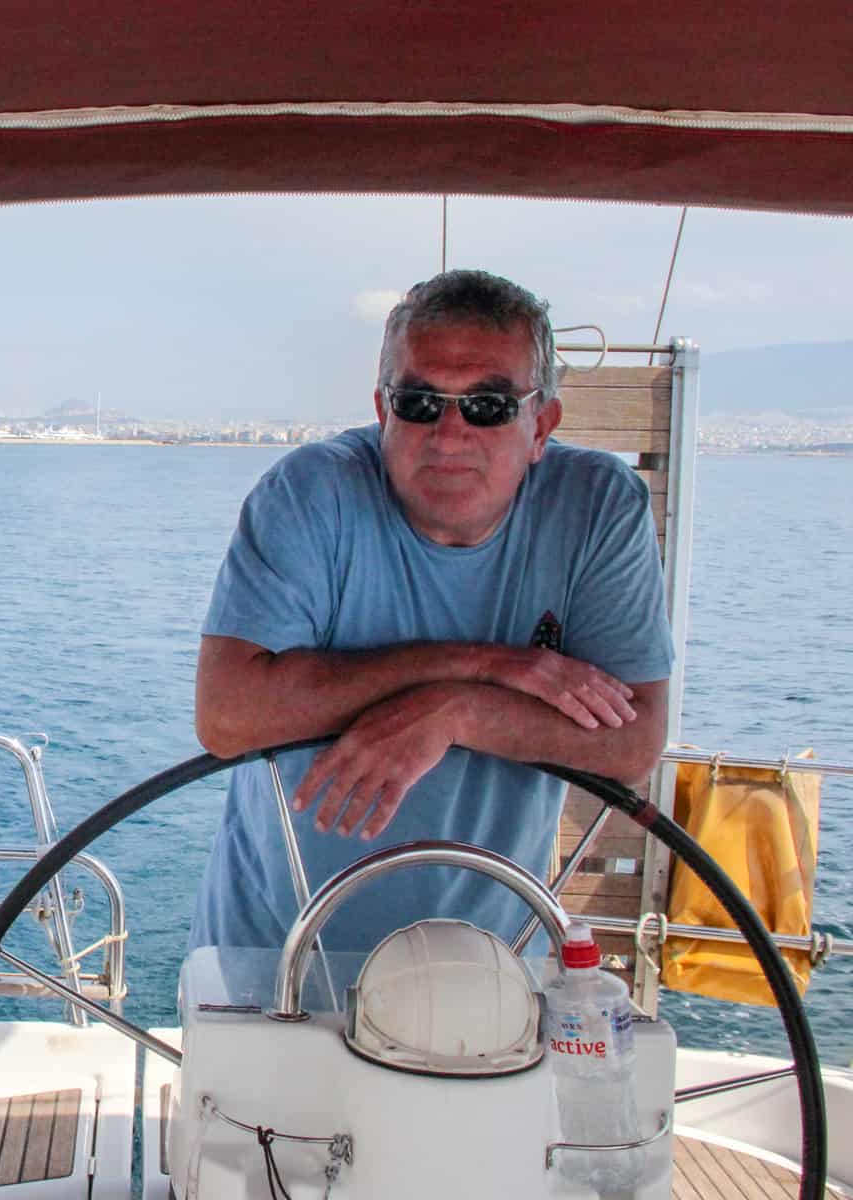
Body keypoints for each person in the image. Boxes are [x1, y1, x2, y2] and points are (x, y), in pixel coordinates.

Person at [190, 269, 673, 953]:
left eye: (488, 406)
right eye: (420, 402)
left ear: (541, 425)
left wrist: (454, 712)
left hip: (494, 967)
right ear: (385, 411)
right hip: (272, 959)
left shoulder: (595, 507)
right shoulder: (311, 494)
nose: (449, 435)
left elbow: (633, 741)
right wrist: (479, 663)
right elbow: (227, 715)